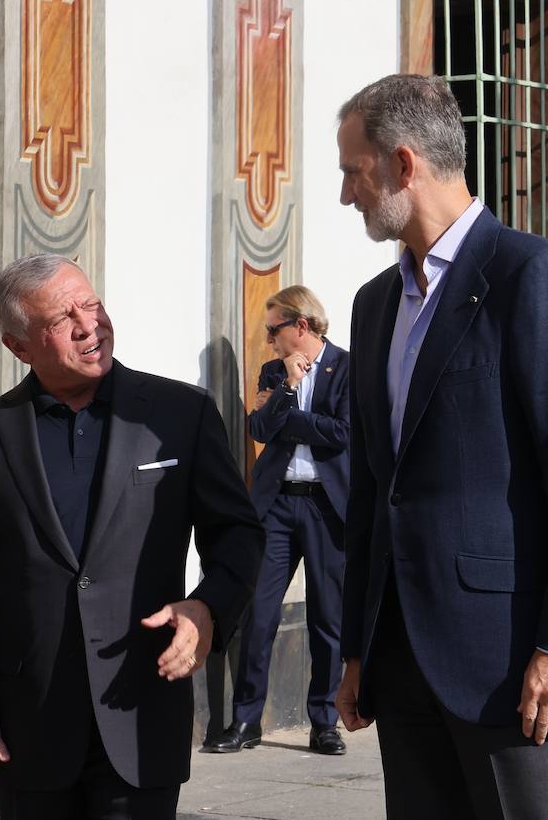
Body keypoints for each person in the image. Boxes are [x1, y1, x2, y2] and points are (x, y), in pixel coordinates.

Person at [334, 74, 548, 818]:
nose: (347, 195)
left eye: (353, 171)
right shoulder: (374, 307)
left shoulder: (530, 277)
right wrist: (356, 648)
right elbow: (375, 487)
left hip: (515, 667)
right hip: (402, 667)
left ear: (404, 165)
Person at [0, 254, 264, 819]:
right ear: (19, 346)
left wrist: (209, 607)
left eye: (92, 305)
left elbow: (238, 533)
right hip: (28, 726)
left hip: (142, 706)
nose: (90, 325)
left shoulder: (178, 414)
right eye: (63, 320)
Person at [203, 286, 350, 756]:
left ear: (300, 326)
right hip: (278, 506)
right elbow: (259, 429)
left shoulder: (345, 369)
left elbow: (344, 434)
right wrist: (286, 388)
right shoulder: (273, 371)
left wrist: (289, 415)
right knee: (260, 614)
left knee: (328, 618)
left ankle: (324, 722)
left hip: (327, 507)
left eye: (274, 330)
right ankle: (247, 721)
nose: (269, 340)